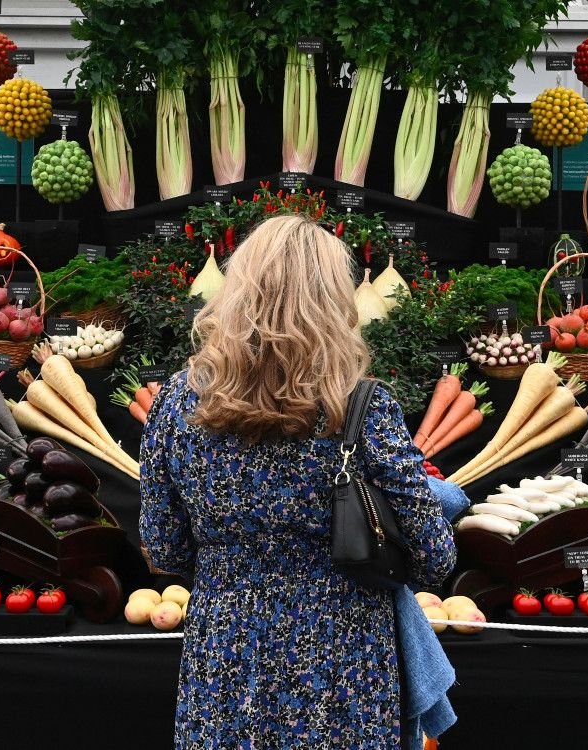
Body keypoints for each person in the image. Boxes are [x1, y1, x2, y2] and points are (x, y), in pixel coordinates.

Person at [139, 214, 456, 748]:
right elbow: (434, 558)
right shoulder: (363, 407)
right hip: (343, 664)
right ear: (333, 302)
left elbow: (164, 547)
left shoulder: (174, 403)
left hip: (225, 657)